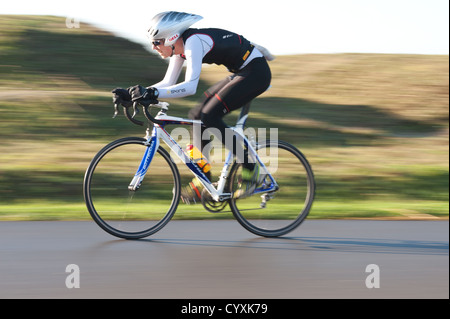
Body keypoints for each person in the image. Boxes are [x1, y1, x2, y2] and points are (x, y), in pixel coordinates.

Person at [112, 11, 274, 203]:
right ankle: (203, 175)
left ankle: (251, 169)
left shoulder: (193, 42)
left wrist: (153, 94)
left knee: (209, 117)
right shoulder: (178, 49)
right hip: (241, 71)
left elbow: (190, 87)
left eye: (157, 42)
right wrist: (134, 94)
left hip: (256, 73)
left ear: (172, 37)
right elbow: (168, 82)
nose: (154, 47)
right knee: (197, 114)